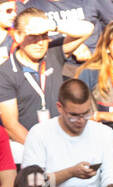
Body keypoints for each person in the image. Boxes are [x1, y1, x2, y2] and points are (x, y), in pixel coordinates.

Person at [21, 78, 113, 187]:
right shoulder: (40, 133)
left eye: (86, 113)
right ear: (60, 108)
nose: (81, 121)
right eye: (74, 115)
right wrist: (70, 173)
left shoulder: (104, 133)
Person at [0, 11, 85, 158]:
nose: (40, 42)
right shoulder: (5, 72)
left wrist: (52, 25)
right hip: (27, 150)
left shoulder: (53, 53)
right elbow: (11, 125)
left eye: (44, 35)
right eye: (33, 36)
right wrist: (43, 151)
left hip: (64, 143)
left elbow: (87, 29)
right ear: (18, 36)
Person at [24, 0, 113, 65]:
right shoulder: (31, 7)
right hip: (56, 65)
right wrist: (72, 44)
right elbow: (27, 41)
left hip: (96, 62)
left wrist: (102, 51)